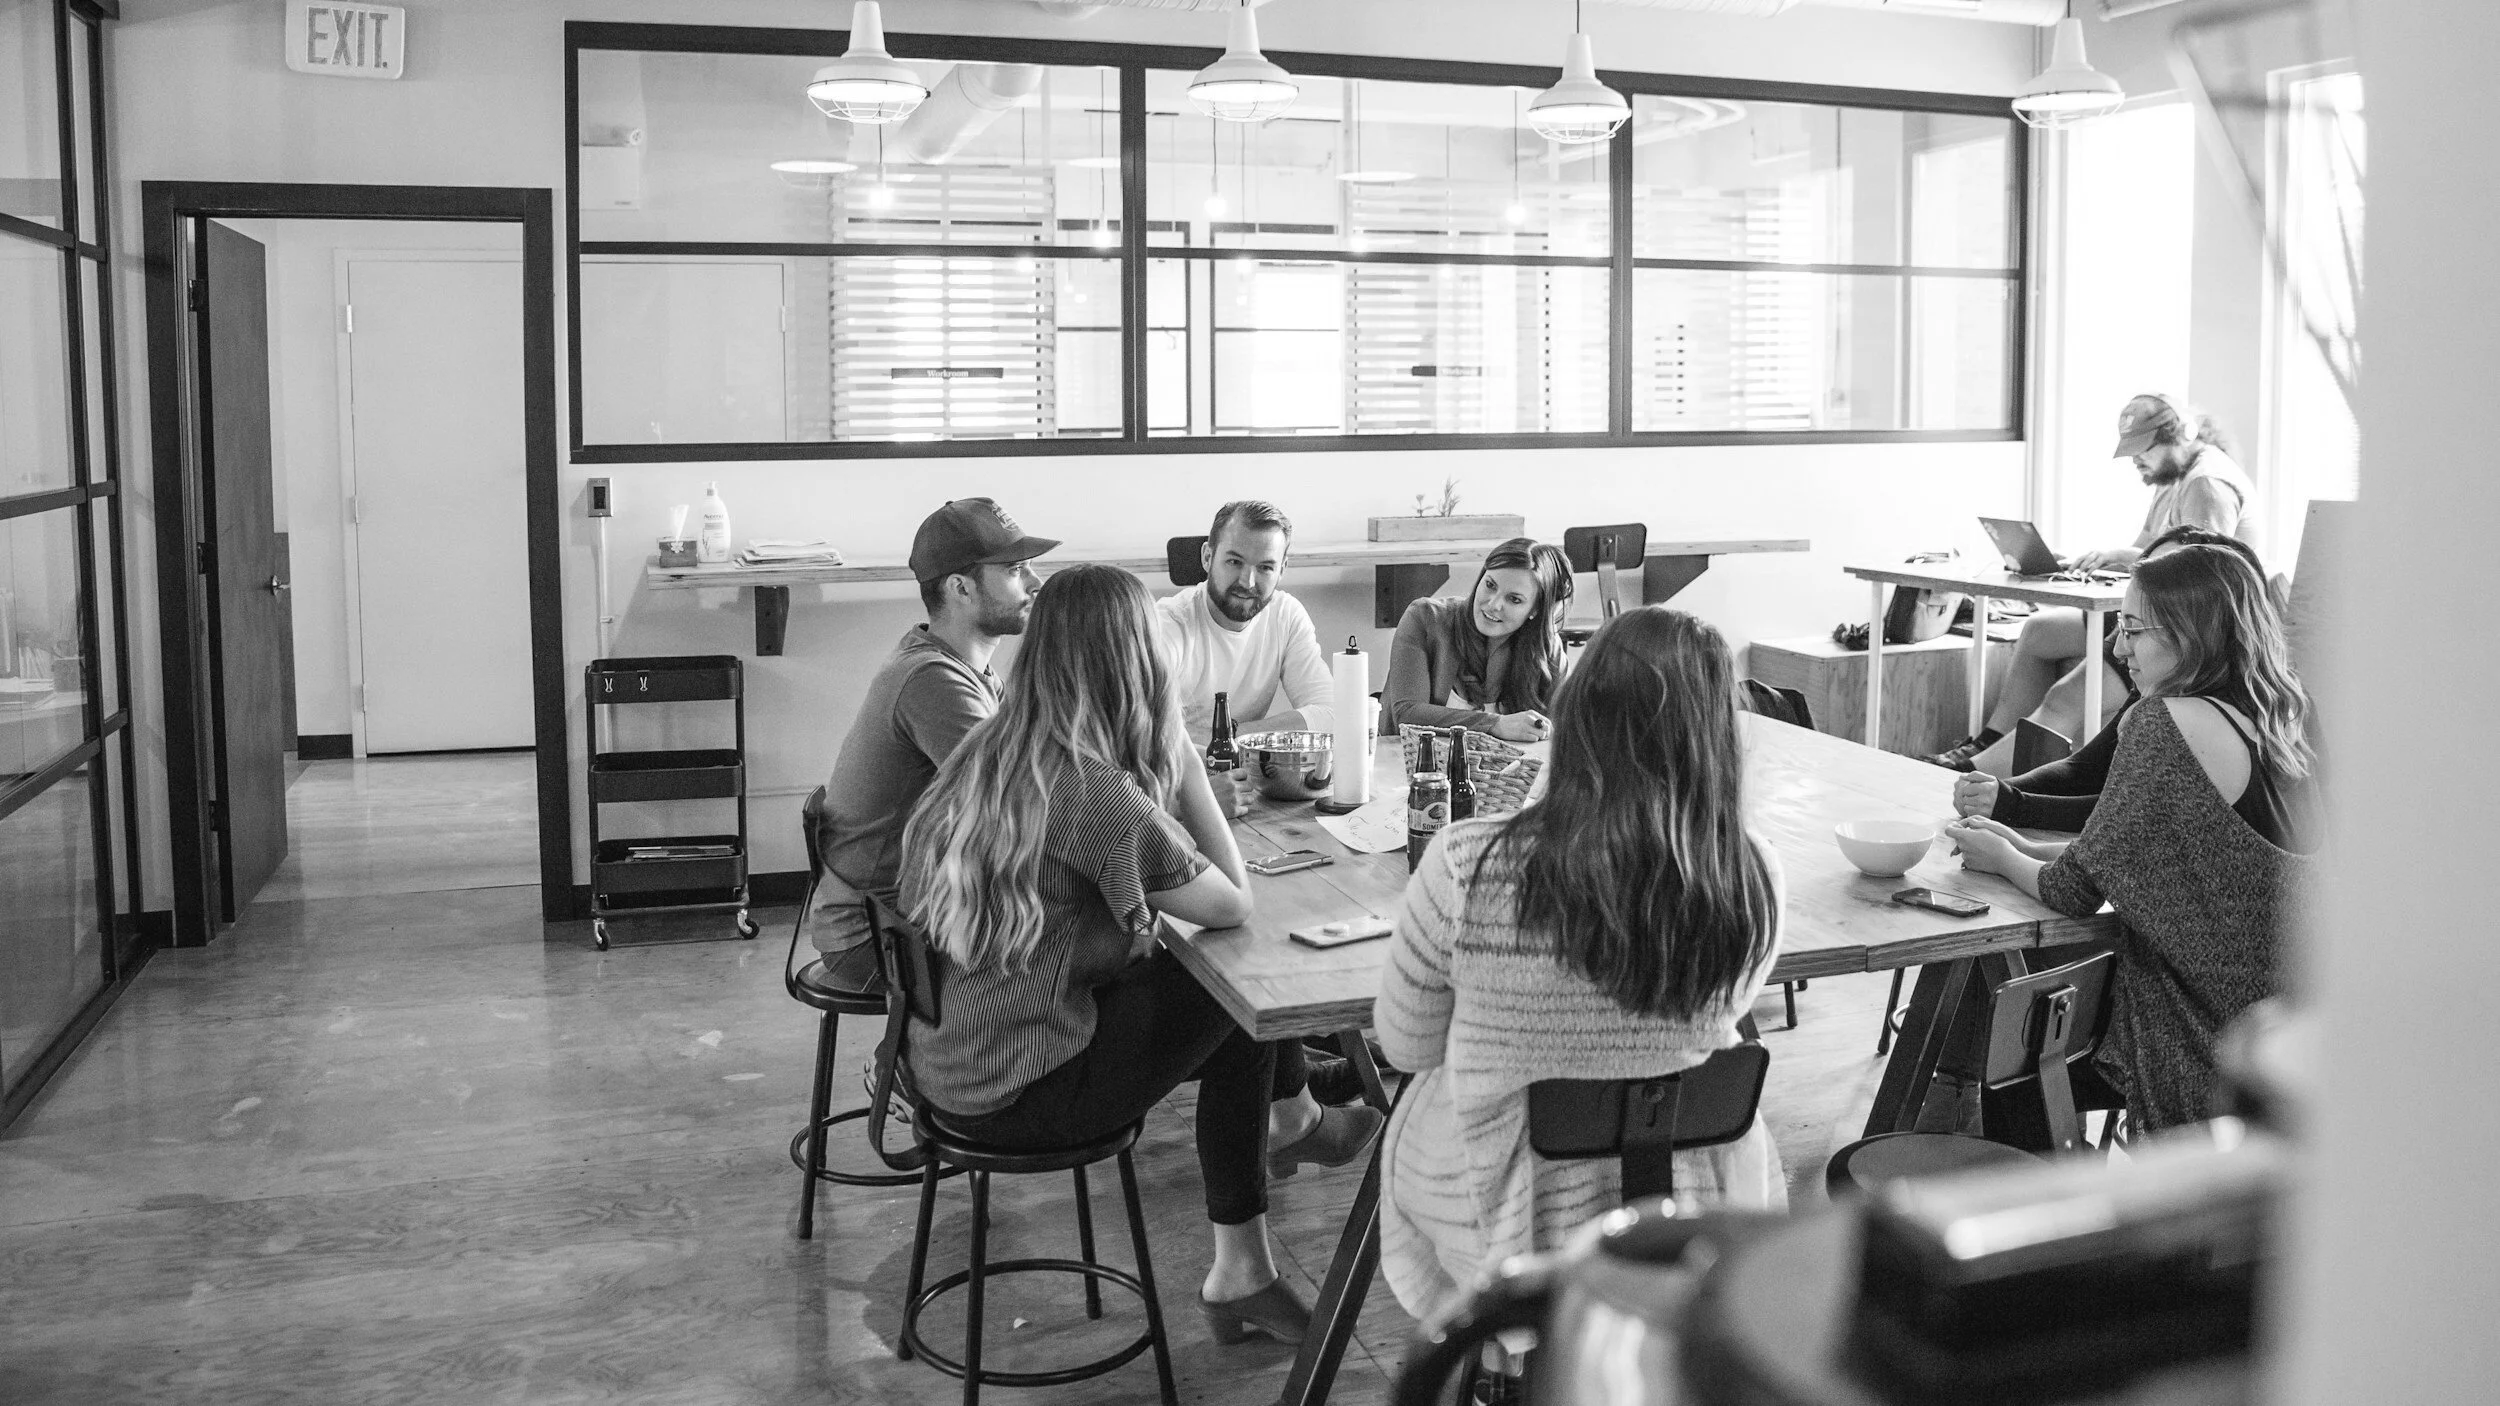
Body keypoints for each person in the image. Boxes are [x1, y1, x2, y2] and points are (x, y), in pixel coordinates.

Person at [896, 564, 1383, 1347]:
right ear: (1138, 664)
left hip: (950, 1058)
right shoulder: (1092, 792)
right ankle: (1279, 1158)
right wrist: (1184, 759)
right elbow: (1232, 900)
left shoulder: (989, 751)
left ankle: (1272, 1187)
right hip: (1021, 1088)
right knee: (1234, 986)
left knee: (1208, 991)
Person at [1377, 606, 1789, 1327]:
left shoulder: (1469, 862)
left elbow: (1406, 1045)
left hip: (1506, 1212)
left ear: (1572, 715)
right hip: (1691, 1203)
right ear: (1718, 736)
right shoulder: (1752, 874)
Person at [1948, 543, 2319, 1133]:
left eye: (2131, 630)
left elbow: (2072, 890)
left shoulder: (2164, 722)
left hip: (2205, 1041)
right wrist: (2017, 848)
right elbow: (2131, 858)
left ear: (2189, 634)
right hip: (2284, 1036)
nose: (2120, 651)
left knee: (2011, 1067)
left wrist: (2000, 857)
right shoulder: (2277, 719)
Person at [801, 498, 1056, 990]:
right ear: (960, 588)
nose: (1035, 583)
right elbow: (1023, 803)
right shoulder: (933, 681)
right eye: (1015, 570)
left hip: (911, 917)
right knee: (1088, 956)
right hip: (880, 939)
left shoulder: (967, 671)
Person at [1929, 394, 2257, 773]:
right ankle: (1987, 742)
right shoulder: (2172, 479)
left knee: (2063, 698)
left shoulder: (2207, 484)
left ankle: (1976, 775)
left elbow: (2199, 576)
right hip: (2156, 615)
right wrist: (2094, 563)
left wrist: (2123, 557)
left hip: (2183, 629)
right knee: (2038, 632)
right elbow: (2145, 551)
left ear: (2182, 434)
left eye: (2144, 449)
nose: (2136, 460)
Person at [1950, 527, 2273, 833]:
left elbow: (2117, 826)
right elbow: (2087, 771)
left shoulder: (2181, 717)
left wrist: (2010, 806)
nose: (2119, 649)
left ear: (2197, 621)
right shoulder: (2178, 686)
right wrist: (1997, 791)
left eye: (2135, 628)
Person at [1156, 500, 1336, 745]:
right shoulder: (1167, 624)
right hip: (1178, 767)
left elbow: (1331, 716)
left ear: (1282, 569)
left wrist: (1227, 735)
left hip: (1247, 764)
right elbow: (1144, 732)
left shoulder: (1286, 615)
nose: (1247, 582)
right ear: (1207, 557)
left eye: (1265, 567)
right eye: (1234, 562)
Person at [1381, 537, 1573, 743]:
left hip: (1509, 765)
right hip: (1406, 761)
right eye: (1490, 585)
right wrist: (1495, 724)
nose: (1493, 604)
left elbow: (1566, 728)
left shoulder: (1545, 647)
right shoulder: (1425, 618)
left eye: (1514, 599)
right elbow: (1407, 714)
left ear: (1535, 609)